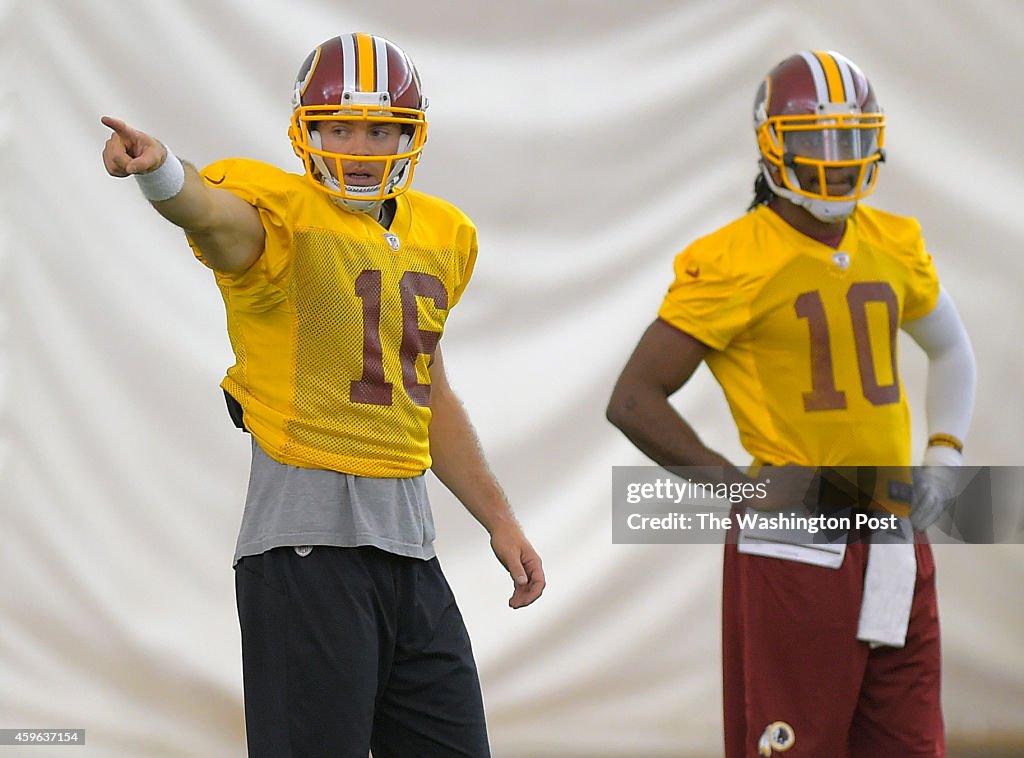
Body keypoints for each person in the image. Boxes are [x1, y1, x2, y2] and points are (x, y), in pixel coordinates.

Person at [101, 33, 544, 758]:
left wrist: (500, 520)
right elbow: (212, 215)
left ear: (410, 133)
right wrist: (160, 174)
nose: (361, 147)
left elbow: (423, 389)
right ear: (307, 131)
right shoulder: (278, 215)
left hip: (411, 549)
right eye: (340, 126)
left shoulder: (443, 234)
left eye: (379, 129)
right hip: (308, 545)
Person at [607, 50, 975, 757]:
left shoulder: (893, 240)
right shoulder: (733, 257)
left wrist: (942, 459)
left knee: (906, 741)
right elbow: (634, 398)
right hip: (797, 530)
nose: (835, 159)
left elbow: (953, 351)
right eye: (814, 140)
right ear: (772, 143)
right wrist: (735, 487)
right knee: (793, 745)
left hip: (893, 527)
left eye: (850, 137)